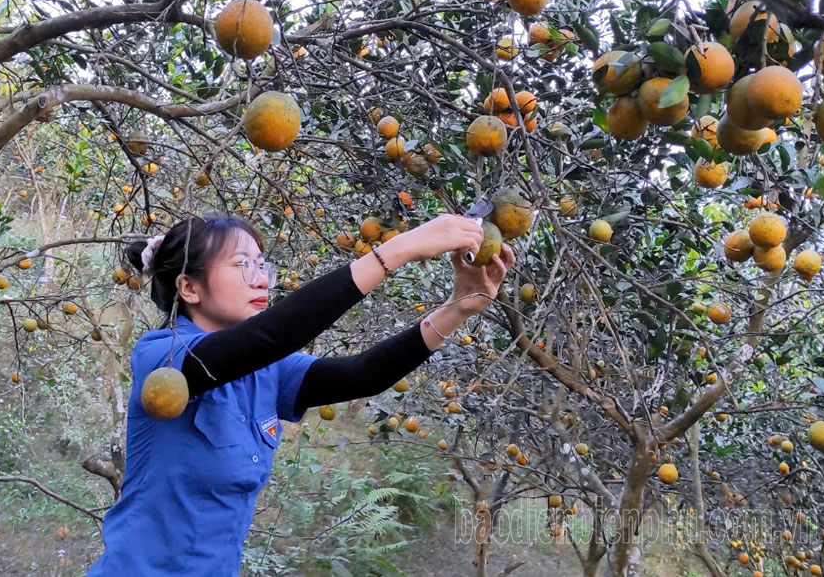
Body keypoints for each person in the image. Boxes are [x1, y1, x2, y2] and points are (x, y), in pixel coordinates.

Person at [86, 211, 515, 576]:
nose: (261, 281)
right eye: (242, 266)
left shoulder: (265, 371)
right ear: (189, 288)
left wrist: (459, 305)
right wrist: (397, 250)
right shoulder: (163, 357)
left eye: (263, 266)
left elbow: (361, 375)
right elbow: (273, 336)